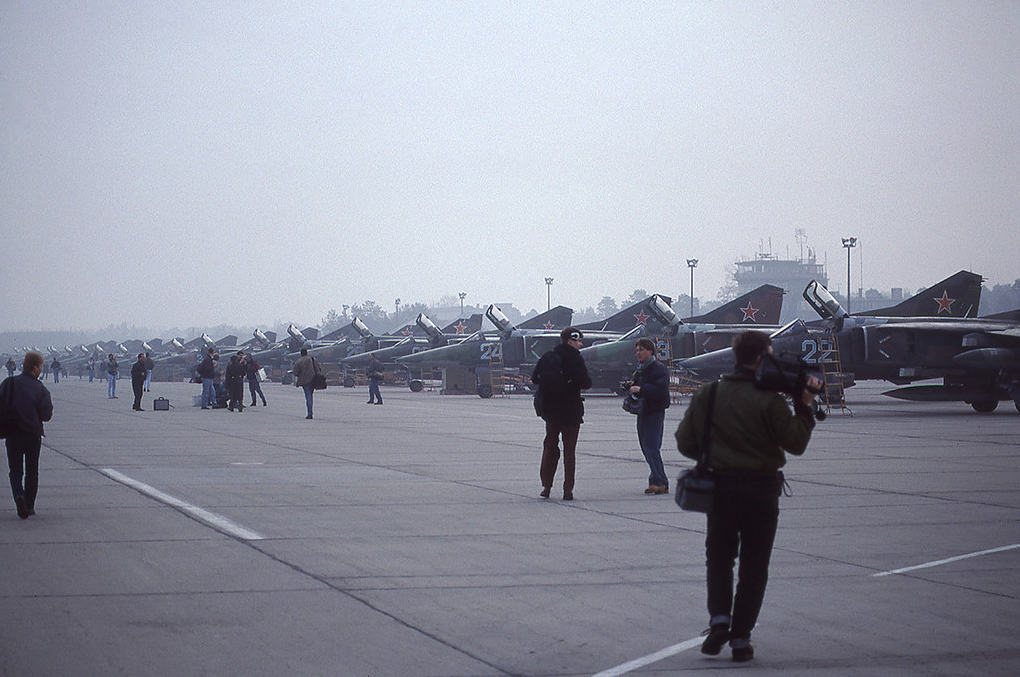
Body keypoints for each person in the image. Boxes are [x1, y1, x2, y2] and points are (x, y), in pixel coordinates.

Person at [675, 330, 820, 663]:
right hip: (761, 491)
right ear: (759, 358)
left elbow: (685, 444)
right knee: (755, 566)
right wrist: (804, 407)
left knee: (720, 558)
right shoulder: (770, 400)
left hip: (721, 489)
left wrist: (713, 450)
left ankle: (719, 621)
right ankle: (741, 637)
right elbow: (795, 443)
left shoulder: (709, 395)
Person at [530, 327, 592, 500]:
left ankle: (546, 486)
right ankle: (568, 489)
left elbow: (535, 378)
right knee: (569, 451)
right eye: (579, 341)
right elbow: (585, 382)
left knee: (550, 447)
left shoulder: (548, 357)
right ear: (571, 340)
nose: (580, 344)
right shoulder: (575, 359)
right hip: (571, 411)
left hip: (551, 411)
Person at [1, 351, 53, 519]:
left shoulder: (9, 383)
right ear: (35, 367)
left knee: (15, 471)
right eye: (40, 367)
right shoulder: (40, 389)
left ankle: (18, 495)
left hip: (12, 433)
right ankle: (29, 506)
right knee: (32, 471)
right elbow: (46, 415)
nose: (40, 370)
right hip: (32, 435)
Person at [628, 338, 671, 495]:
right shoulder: (641, 369)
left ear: (650, 351)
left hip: (654, 412)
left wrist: (641, 389)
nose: (638, 352)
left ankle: (661, 482)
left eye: (641, 349)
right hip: (643, 411)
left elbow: (660, 390)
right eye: (637, 349)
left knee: (652, 447)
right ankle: (655, 481)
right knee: (646, 447)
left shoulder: (658, 368)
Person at [291, 348, 319, 419]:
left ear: (301, 354)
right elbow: (318, 369)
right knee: (310, 396)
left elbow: (295, 372)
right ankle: (310, 412)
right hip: (313, 380)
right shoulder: (312, 359)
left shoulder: (299, 361)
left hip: (304, 381)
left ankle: (310, 413)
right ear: (307, 353)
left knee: (308, 396)